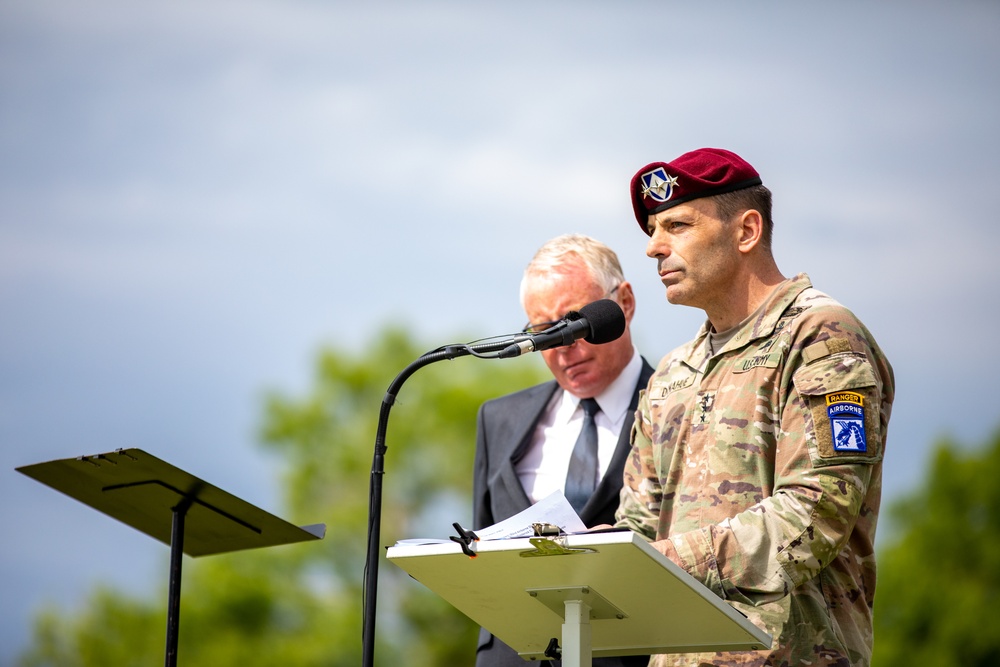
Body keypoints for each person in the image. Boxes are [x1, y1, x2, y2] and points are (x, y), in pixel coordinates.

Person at [614, 147, 895, 667]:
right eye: (654, 230)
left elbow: (815, 514)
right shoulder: (673, 373)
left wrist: (666, 559)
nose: (654, 248)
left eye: (677, 225)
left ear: (746, 231)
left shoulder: (820, 336)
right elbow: (638, 526)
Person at [473, 234, 654, 667]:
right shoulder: (498, 419)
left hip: (627, 653)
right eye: (543, 332)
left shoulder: (681, 408)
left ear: (623, 303)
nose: (561, 347)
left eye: (575, 323)